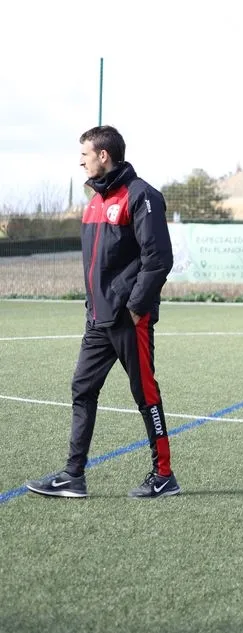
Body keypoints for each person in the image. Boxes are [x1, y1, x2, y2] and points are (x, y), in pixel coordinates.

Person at [25, 125, 180, 499]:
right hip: (97, 318)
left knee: (144, 393)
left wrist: (136, 306)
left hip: (129, 318)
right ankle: (73, 475)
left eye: (85, 155)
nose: (81, 162)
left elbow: (159, 259)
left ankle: (164, 476)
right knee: (82, 388)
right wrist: (92, 305)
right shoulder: (94, 200)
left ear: (103, 155)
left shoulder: (141, 195)